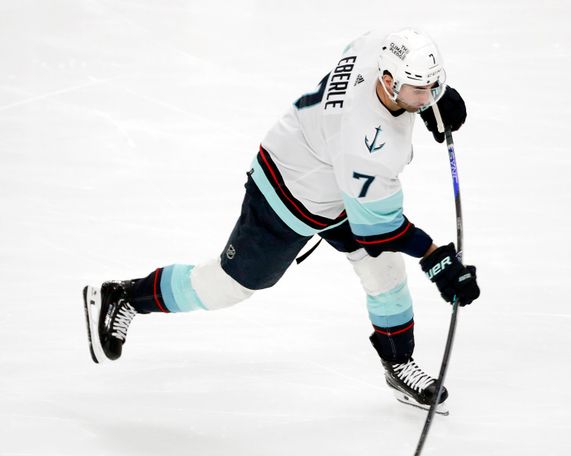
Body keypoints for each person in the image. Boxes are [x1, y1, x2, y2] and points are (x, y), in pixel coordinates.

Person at [82, 28, 480, 415]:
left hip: (334, 177)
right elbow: (378, 232)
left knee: (385, 271)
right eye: (418, 89)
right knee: (227, 286)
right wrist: (436, 258)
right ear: (389, 81)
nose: (427, 96)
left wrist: (433, 99)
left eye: (433, 85)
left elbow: (366, 57)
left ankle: (398, 362)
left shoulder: (378, 46)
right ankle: (124, 296)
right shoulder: (368, 144)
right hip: (288, 192)